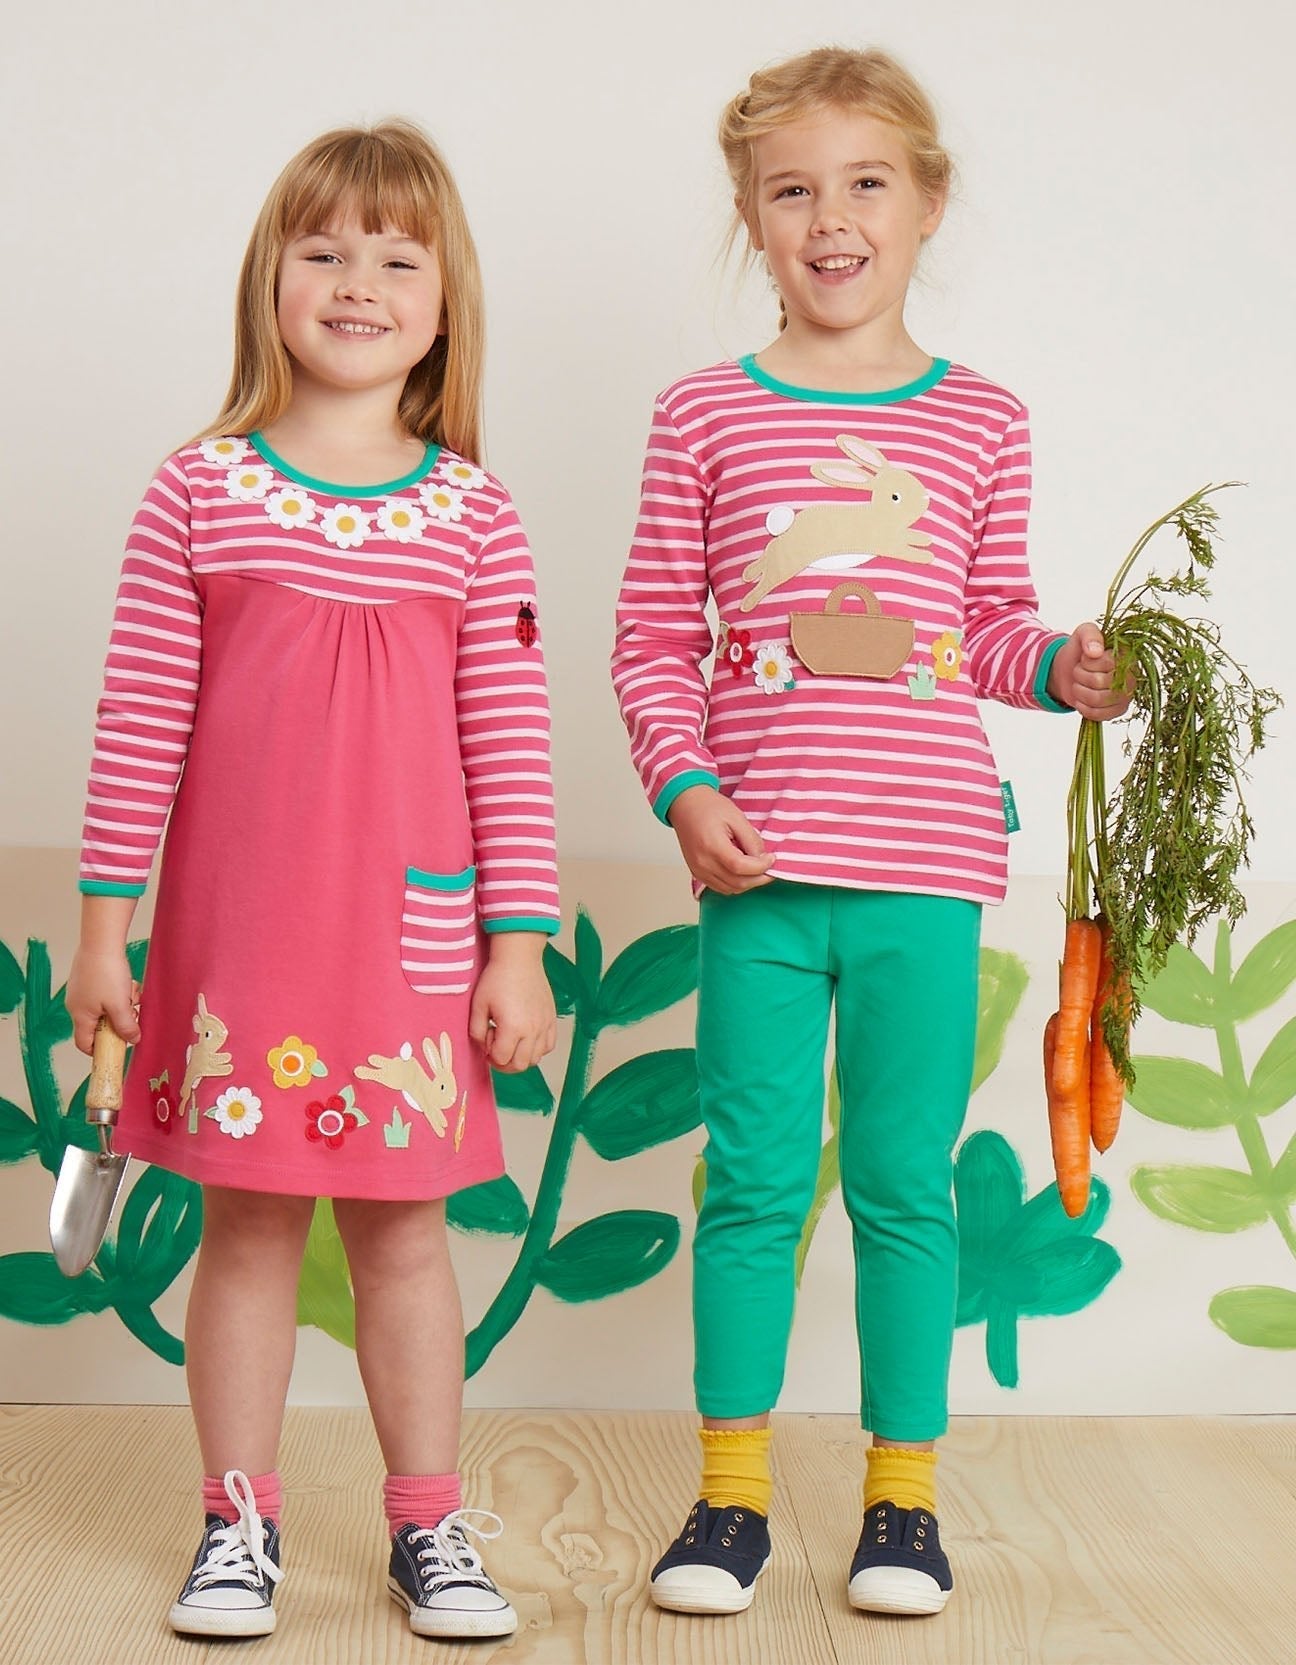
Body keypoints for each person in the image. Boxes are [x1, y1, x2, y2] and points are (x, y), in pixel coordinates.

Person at [611, 46, 1131, 1620]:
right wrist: (686, 790)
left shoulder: (983, 419)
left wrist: (1061, 666)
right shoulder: (704, 412)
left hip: (924, 873)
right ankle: (730, 1499)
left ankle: (903, 1502)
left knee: (906, 1186)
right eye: (793, 191)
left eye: (865, 185)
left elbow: (989, 627)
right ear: (751, 219)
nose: (830, 220)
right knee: (755, 1186)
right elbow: (654, 641)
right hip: (760, 874)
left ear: (926, 205)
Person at [66, 120, 560, 1643]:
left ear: (444, 303)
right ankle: (238, 1525)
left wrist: (518, 945)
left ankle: (429, 1527)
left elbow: (510, 745)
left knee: (406, 1237)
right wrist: (103, 932)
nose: (358, 283)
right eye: (325, 250)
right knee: (249, 1233)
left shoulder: (473, 514)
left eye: (398, 259)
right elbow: (139, 722)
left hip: (411, 953)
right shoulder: (198, 490)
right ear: (268, 281)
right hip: (241, 949)